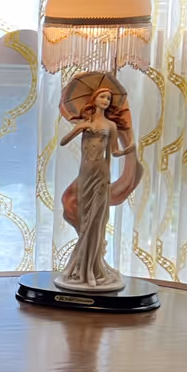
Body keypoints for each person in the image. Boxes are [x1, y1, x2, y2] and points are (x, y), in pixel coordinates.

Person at [56, 74, 138, 291]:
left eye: (109, 99)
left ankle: (92, 269)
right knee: (84, 217)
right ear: (94, 99)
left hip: (101, 174)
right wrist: (79, 128)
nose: (106, 101)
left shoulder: (111, 126)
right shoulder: (85, 124)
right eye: (103, 97)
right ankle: (80, 267)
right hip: (85, 173)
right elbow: (63, 142)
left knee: (96, 219)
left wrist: (128, 150)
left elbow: (114, 152)